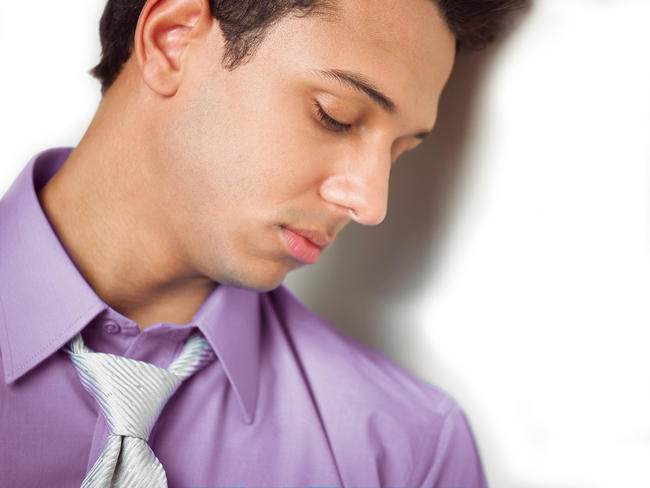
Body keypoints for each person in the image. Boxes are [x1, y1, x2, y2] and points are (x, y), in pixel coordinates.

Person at [0, 0, 524, 486]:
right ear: (171, 40)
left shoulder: (409, 456)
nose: (370, 204)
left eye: (399, 151)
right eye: (335, 115)